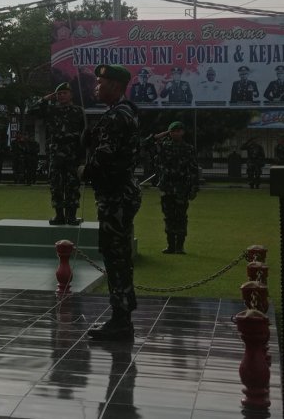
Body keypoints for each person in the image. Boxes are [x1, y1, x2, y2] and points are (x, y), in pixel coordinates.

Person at [79, 64, 142, 341]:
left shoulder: (118, 116)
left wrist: (83, 170)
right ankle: (122, 316)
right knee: (117, 256)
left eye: (100, 82)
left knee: (116, 257)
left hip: (116, 195)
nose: (96, 86)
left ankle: (121, 320)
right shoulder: (118, 113)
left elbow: (105, 158)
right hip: (117, 194)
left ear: (115, 86)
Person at [28, 82, 85, 225]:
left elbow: (85, 135)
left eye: (64, 93)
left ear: (71, 94)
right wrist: (45, 99)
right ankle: (59, 215)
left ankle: (71, 216)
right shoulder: (51, 110)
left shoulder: (78, 111)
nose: (61, 96)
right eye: (59, 94)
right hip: (56, 154)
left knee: (72, 186)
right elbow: (31, 111)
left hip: (73, 155)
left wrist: (84, 157)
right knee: (56, 186)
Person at [148, 121, 199, 254]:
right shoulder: (164, 146)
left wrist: (194, 188)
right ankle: (170, 245)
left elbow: (193, 169)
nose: (175, 133)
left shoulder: (188, 149)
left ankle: (180, 246)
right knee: (168, 216)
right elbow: (146, 144)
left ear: (182, 132)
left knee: (181, 216)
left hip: (182, 187)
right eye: (172, 131)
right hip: (167, 187)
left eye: (178, 130)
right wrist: (161, 135)